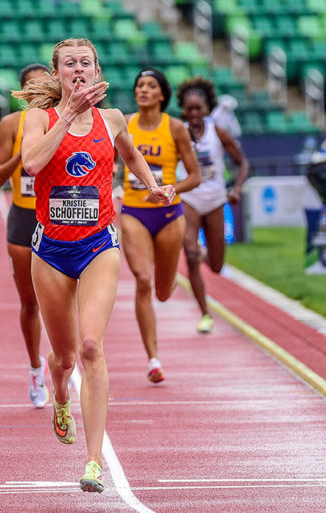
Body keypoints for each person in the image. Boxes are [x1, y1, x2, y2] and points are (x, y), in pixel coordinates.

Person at [14, 38, 175, 492]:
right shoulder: (39, 118)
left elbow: (130, 154)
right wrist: (66, 115)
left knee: (90, 347)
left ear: (98, 69)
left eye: (86, 62)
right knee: (64, 359)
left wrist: (153, 185)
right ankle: (59, 390)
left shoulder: (112, 118)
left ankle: (92, 461)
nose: (79, 70)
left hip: (99, 244)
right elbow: (31, 164)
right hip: (50, 252)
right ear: (58, 74)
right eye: (70, 64)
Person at [120, 68, 200, 383]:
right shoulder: (124, 123)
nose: (143, 90)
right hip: (133, 211)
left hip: (168, 215)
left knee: (163, 292)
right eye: (139, 85)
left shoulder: (176, 128)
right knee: (142, 280)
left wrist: (171, 189)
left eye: (151, 86)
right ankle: (153, 358)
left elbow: (194, 176)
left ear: (162, 95)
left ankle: (167, 284)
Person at [0, 63, 51, 409]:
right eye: (31, 87)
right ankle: (35, 367)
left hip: (58, 216)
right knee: (30, 303)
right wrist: (23, 154)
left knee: (63, 301)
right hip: (23, 218)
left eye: (44, 86)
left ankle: (63, 362)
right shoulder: (10, 125)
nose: (37, 92)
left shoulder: (65, 121)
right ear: (22, 93)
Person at [176, 77, 249, 334]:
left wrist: (236, 189)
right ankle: (205, 313)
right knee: (190, 252)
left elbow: (243, 163)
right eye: (189, 109)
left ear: (207, 109)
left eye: (199, 109)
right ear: (183, 110)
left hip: (216, 199)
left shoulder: (218, 132)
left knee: (216, 265)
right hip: (190, 199)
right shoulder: (179, 131)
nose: (194, 114)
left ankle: (205, 253)